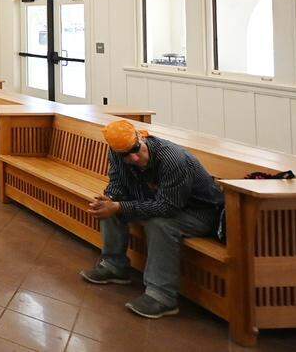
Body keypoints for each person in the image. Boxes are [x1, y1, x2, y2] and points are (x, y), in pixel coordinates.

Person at [79, 120, 224, 319]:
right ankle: (114, 265)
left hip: (200, 212)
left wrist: (120, 206)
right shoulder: (117, 155)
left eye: (136, 150)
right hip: (158, 201)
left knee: (159, 224)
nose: (134, 157)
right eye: (125, 155)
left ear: (140, 138)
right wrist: (111, 199)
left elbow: (168, 207)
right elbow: (117, 184)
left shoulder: (173, 159)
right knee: (107, 206)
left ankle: (162, 296)